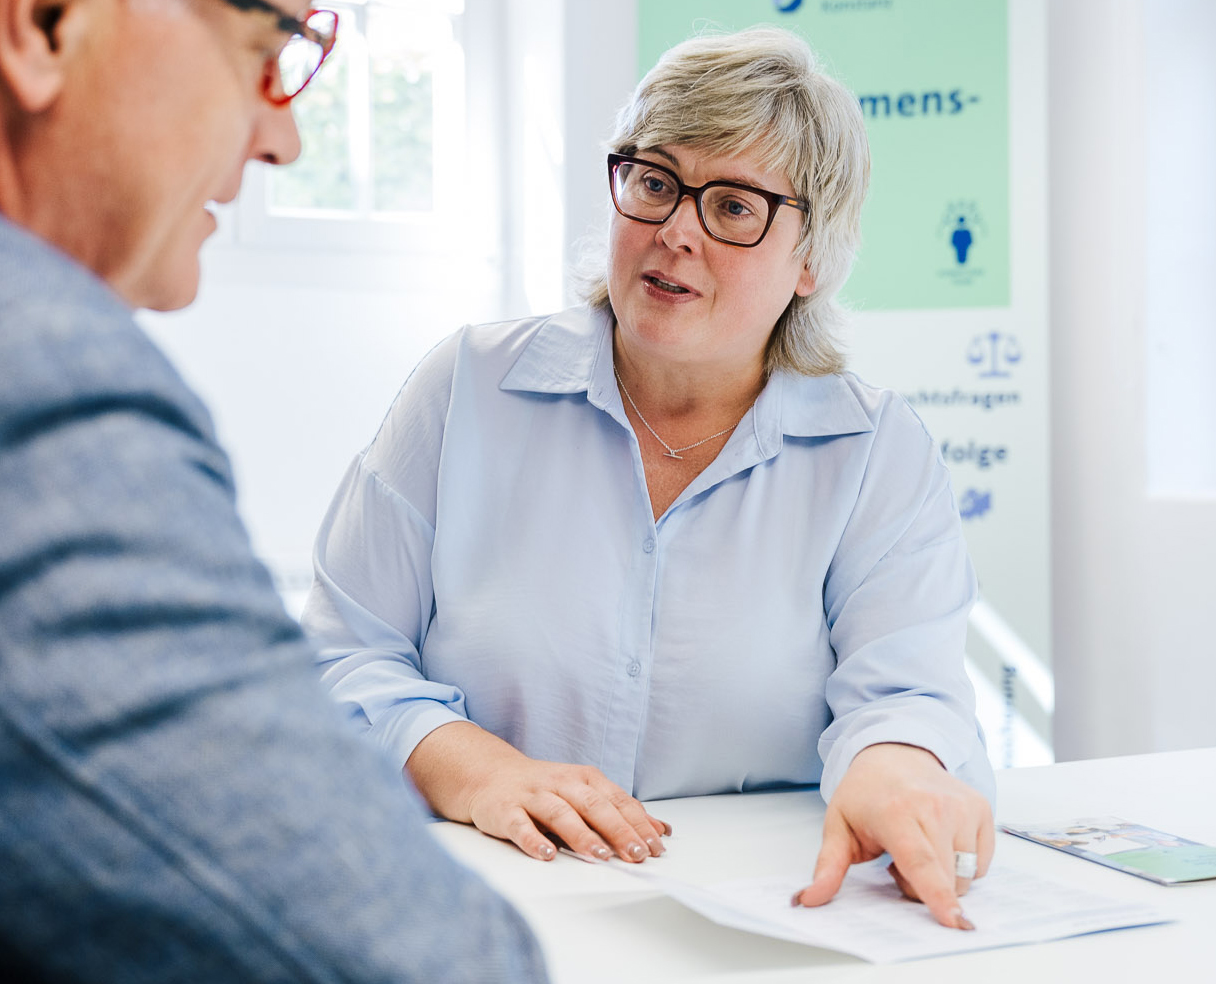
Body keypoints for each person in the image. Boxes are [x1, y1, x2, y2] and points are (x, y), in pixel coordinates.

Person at [302, 26, 995, 930]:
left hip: (754, 915)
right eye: (656, 182)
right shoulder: (468, 388)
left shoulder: (873, 450)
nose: (675, 232)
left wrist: (898, 765)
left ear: (812, 258)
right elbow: (337, 654)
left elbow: (909, 689)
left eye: (735, 207)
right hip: (479, 899)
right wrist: (478, 769)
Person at [0, 0, 546, 978]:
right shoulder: (27, 378)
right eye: (262, 51)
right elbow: (416, 954)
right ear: (46, 26)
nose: (283, 137)